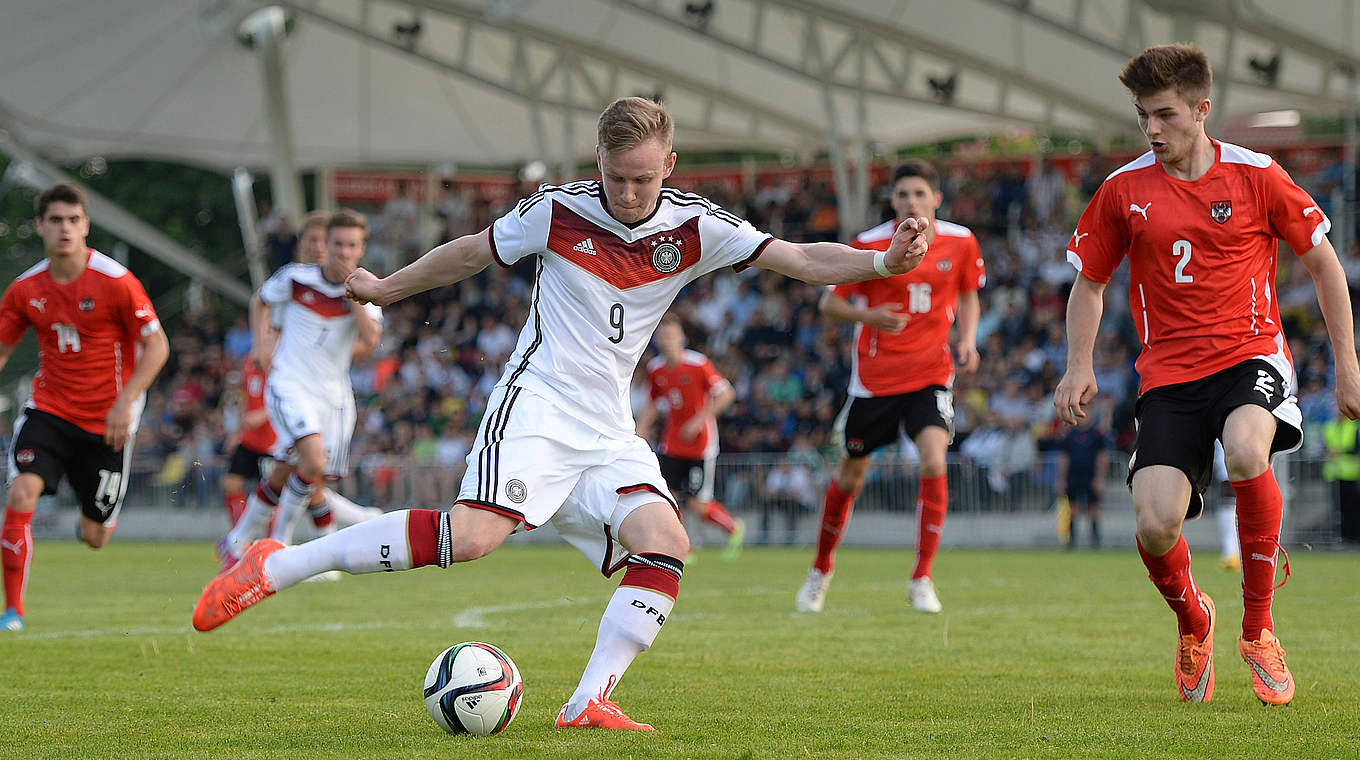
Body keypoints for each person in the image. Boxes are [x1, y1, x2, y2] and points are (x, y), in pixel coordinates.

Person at [192, 96, 929, 731]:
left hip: (608, 425)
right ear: (597, 165)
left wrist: (883, 266)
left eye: (644, 178)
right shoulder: (557, 212)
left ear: (669, 165)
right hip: (538, 402)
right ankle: (278, 563)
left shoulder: (696, 228)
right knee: (474, 538)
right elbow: (469, 255)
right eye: (617, 178)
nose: (631, 193)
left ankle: (589, 700)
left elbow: (800, 259)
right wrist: (387, 290)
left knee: (666, 542)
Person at [1054, 44, 1360, 705]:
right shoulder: (1122, 190)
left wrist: (1347, 364)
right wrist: (1079, 362)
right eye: (1142, 117)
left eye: (1164, 115)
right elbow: (1090, 283)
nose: (1152, 130)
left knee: (1249, 451)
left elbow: (1325, 265)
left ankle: (1259, 629)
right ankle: (1196, 620)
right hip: (1167, 374)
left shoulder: (1257, 175)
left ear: (1202, 109)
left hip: (1250, 355)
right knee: (1155, 523)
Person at [795, 159, 984, 615]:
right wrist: (869, 316)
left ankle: (922, 578)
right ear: (893, 200)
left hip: (931, 374)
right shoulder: (870, 244)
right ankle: (820, 571)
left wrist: (969, 340)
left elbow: (968, 293)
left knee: (935, 459)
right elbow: (829, 304)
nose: (911, 202)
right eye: (902, 195)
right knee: (850, 476)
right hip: (875, 382)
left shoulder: (960, 242)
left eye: (919, 193)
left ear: (936, 198)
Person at [0, 183, 169, 632]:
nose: (65, 229)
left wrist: (125, 403)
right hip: (49, 411)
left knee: (95, 537)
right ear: (40, 226)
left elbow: (157, 347)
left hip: (109, 421)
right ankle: (13, 611)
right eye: (55, 220)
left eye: (73, 220)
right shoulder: (24, 290)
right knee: (21, 493)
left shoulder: (116, 282)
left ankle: (91, 519)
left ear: (86, 226)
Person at [217, 210, 383, 568]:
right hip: (289, 386)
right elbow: (261, 300)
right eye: (336, 244)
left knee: (292, 469)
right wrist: (261, 346)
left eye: (350, 246)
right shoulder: (295, 279)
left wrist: (352, 295)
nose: (342, 252)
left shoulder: (369, 289)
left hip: (332, 396)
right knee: (313, 460)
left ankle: (238, 539)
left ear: (361, 248)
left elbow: (370, 341)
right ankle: (282, 545)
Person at [635, 314, 744, 560]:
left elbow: (726, 395)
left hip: (700, 444)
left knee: (697, 503)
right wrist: (640, 429)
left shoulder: (698, 364)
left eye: (671, 335)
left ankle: (733, 528)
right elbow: (653, 402)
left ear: (682, 338)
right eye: (662, 336)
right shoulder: (656, 368)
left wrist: (698, 420)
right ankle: (683, 547)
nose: (666, 340)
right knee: (668, 495)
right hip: (672, 441)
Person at [1054, 399, 1113, 549]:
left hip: (1090, 476)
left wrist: (1100, 478)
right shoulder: (1070, 434)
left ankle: (1095, 540)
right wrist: (1061, 479)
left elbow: (1102, 457)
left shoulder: (1096, 434)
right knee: (1072, 508)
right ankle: (1071, 541)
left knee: (1093, 509)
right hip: (1073, 476)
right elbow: (1064, 458)